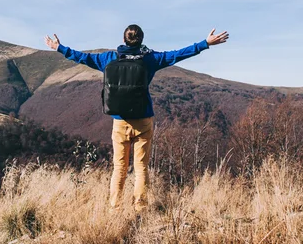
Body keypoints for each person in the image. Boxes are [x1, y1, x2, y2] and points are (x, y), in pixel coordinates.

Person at [44, 25, 228, 212]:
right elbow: (178, 54)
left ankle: (115, 209)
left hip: (120, 120)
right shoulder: (150, 59)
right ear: (141, 40)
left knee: (119, 167)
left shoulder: (109, 58)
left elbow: (83, 58)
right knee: (141, 168)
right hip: (143, 120)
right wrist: (205, 43)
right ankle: (140, 208)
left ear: (124, 40)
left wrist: (59, 48)